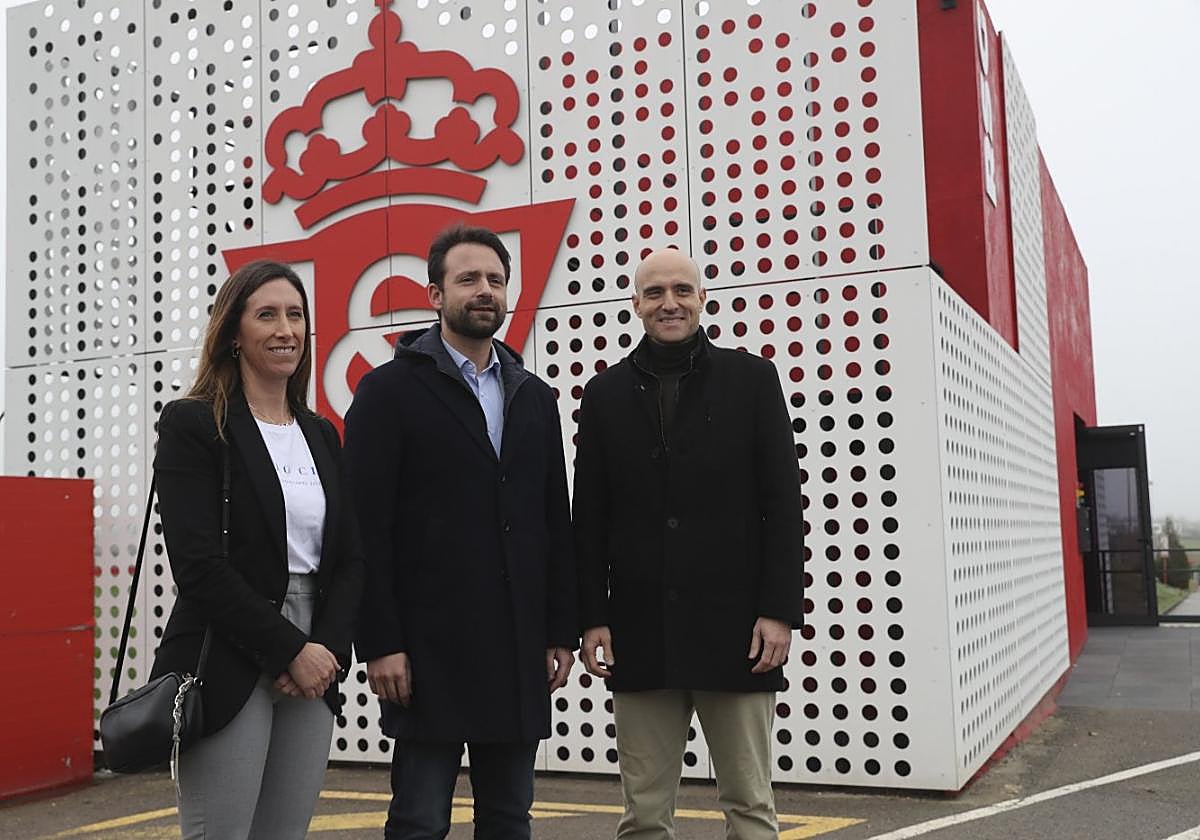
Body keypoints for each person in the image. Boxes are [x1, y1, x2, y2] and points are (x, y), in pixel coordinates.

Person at [343, 224, 577, 840]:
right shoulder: (387, 391)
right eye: (468, 279)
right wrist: (381, 642)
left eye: (495, 281)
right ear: (434, 294)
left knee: (508, 818)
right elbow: (365, 528)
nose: (484, 291)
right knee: (419, 820)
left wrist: (559, 629)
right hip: (425, 653)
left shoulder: (533, 396)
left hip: (516, 647)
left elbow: (554, 518)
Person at [572, 248, 805, 840]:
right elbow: (590, 517)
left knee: (750, 806)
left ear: (702, 299)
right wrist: (592, 617)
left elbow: (782, 505)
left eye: (681, 290)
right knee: (644, 814)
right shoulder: (603, 395)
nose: (668, 303)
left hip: (738, 633)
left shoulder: (752, 380)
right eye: (654, 293)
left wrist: (779, 612)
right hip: (639, 633)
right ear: (635, 305)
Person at [150, 259, 364, 840]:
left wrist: (323, 647)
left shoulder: (320, 432)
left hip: (315, 650)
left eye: (295, 315)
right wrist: (287, 649)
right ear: (233, 334)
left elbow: (349, 557)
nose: (285, 330)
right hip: (230, 648)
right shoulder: (193, 424)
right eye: (266, 315)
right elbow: (198, 566)